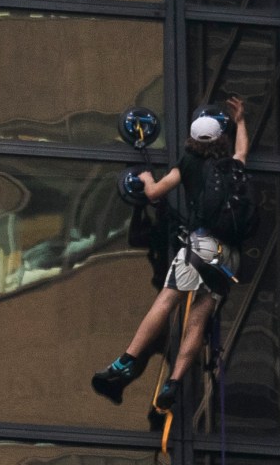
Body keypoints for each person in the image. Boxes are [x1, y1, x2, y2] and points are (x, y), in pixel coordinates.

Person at [93, 96, 250, 411]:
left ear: (193, 138)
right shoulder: (231, 167)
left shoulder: (188, 163)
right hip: (230, 257)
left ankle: (126, 361)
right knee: (198, 318)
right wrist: (241, 121)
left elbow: (154, 193)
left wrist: (146, 179)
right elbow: (243, 151)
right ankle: (174, 381)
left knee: (166, 301)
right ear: (220, 138)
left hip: (202, 246)